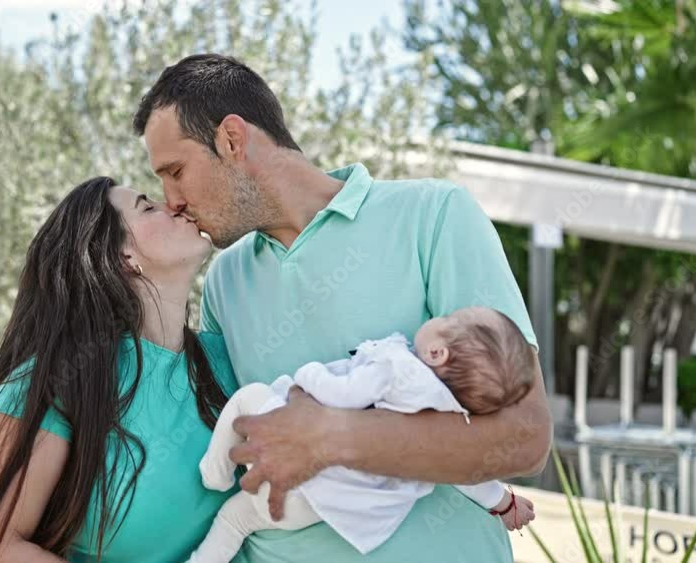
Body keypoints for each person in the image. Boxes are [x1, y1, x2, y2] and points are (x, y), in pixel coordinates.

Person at [133, 53, 553, 562]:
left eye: (175, 171)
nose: (169, 198)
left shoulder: (434, 216)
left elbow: (525, 437)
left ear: (232, 139)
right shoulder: (224, 278)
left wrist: (331, 437)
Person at [0, 177, 240, 562]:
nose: (174, 204)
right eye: (148, 207)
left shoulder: (230, 358)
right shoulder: (56, 382)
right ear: (123, 257)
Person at [189, 306, 539, 563]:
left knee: (248, 397)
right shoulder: (449, 418)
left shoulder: (400, 370)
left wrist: (310, 375)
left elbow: (343, 396)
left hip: (301, 476)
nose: (439, 316)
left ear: (437, 352)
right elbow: (469, 476)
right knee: (237, 521)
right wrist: (503, 503)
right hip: (321, 509)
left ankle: (215, 472)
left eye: (447, 320)